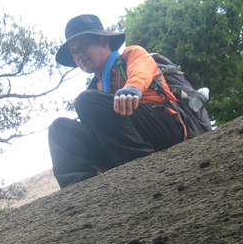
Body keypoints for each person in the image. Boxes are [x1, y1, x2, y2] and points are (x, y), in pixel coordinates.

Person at [48, 14, 186, 188]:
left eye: (83, 46)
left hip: (164, 127)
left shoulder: (130, 55)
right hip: (121, 146)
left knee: (86, 100)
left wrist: (132, 88)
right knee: (60, 128)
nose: (79, 55)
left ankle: (142, 167)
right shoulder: (94, 88)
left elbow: (142, 70)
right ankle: (79, 192)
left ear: (104, 41)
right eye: (74, 52)